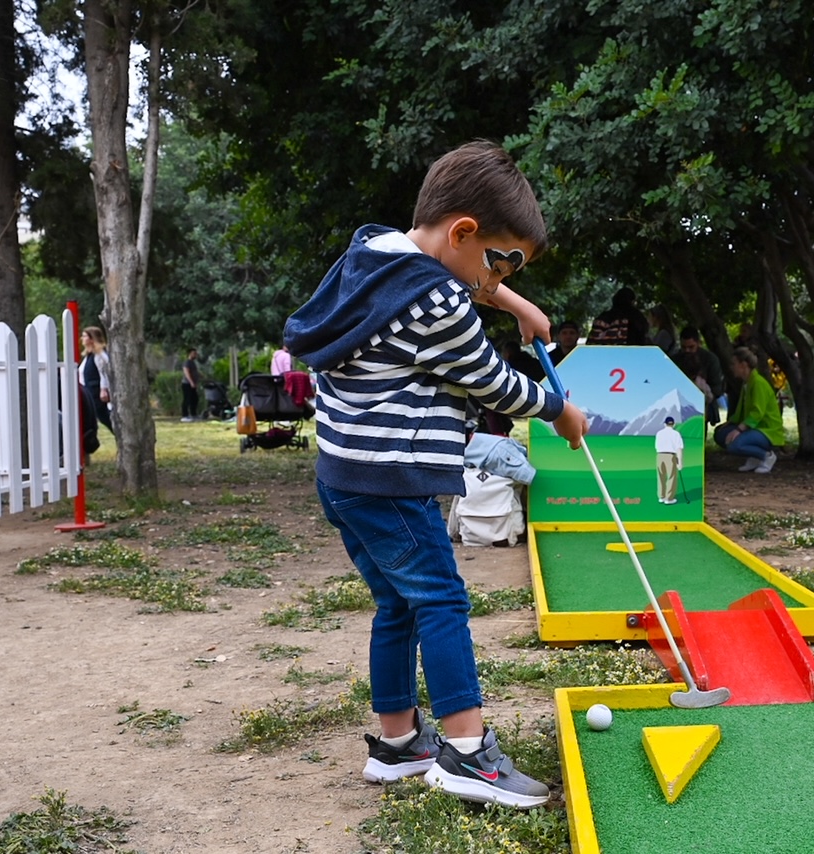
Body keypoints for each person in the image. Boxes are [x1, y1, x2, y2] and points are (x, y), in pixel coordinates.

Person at [283, 140, 587, 810]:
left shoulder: (371, 256)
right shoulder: (439, 307)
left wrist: (512, 301)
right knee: (442, 602)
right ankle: (468, 754)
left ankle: (398, 745)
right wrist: (561, 411)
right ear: (464, 233)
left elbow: (453, 275)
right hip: (394, 483)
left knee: (398, 604)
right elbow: (493, 383)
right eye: (501, 263)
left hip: (344, 476)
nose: (496, 278)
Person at [713, 347, 784, 474]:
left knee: (734, 445)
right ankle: (754, 458)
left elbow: (757, 412)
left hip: (766, 430)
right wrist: (731, 423)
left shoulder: (758, 383)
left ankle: (766, 456)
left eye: (734, 364)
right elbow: (742, 410)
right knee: (721, 434)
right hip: (754, 428)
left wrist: (739, 429)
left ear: (743, 365)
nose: (731, 367)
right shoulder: (748, 383)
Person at [673, 326, 725, 425]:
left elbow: (717, 389)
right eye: (684, 347)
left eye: (691, 347)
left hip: (704, 404)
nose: (687, 350)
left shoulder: (710, 360)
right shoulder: (675, 360)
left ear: (698, 343)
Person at [78, 326, 113, 435]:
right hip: (90, 390)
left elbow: (104, 372)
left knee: (104, 416)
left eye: (85, 336)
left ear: (92, 339)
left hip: (96, 391)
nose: (82, 339)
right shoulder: (89, 356)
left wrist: (104, 389)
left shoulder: (99, 355)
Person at [655, 416, 684, 504]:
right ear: (673, 424)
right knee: (671, 477)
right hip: (670, 456)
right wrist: (680, 462)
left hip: (660, 455)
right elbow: (679, 448)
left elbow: (656, 446)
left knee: (661, 477)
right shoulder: (676, 434)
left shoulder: (659, 433)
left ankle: (661, 496)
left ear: (665, 424)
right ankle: (669, 498)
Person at [180, 348, 201, 422]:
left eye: (195, 353)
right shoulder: (187, 362)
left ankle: (193, 414)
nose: (195, 355)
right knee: (187, 399)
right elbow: (186, 372)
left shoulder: (193, 363)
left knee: (194, 399)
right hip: (187, 384)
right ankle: (184, 415)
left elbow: (194, 372)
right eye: (194, 353)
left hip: (193, 384)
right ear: (189, 354)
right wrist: (191, 382)